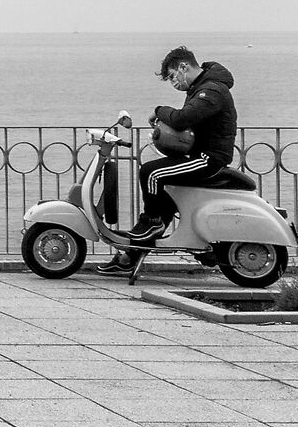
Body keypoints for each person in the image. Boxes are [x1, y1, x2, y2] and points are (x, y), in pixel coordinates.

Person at [94, 46, 239, 275]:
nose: (173, 82)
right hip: (199, 154)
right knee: (165, 194)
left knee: (151, 173)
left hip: (209, 159)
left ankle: (152, 223)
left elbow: (183, 119)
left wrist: (159, 110)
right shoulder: (202, 88)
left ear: (184, 67)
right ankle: (129, 256)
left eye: (172, 76)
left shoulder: (211, 91)